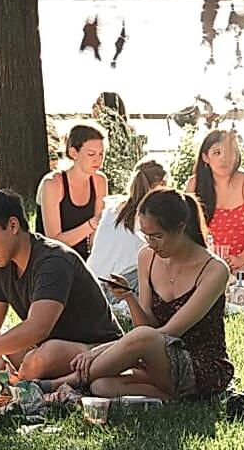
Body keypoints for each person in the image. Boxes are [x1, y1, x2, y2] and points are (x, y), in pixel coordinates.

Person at [50, 189, 233, 401]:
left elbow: (167, 333)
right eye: (146, 236)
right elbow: (145, 326)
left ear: (181, 228)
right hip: (156, 361)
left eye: (158, 236)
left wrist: (98, 352)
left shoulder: (214, 270)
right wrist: (129, 296)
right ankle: (171, 399)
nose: (151, 243)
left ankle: (59, 383)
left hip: (199, 364)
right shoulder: (147, 256)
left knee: (144, 339)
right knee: (103, 386)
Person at [0, 189, 120, 380]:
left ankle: (21, 383)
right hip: (42, 345)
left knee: (43, 357)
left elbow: (37, 328)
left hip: (94, 348)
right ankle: (22, 379)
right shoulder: (0, 264)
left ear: (13, 225)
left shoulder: (53, 260)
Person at [186, 129, 244, 282]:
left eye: (230, 152)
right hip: (212, 259)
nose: (224, 158)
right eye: (217, 152)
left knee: (234, 280)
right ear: (205, 157)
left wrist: (242, 258)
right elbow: (188, 230)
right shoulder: (194, 184)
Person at [87, 157, 169, 295]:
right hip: (117, 286)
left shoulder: (112, 209)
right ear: (162, 184)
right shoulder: (152, 216)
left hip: (91, 281)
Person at [35, 122, 108, 260]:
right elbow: (53, 241)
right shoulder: (52, 184)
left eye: (101, 154)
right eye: (91, 154)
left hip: (82, 259)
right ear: (74, 153)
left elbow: (95, 239)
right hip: (50, 259)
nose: (98, 160)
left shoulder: (99, 181)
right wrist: (92, 224)